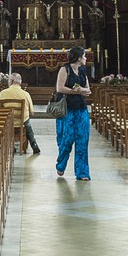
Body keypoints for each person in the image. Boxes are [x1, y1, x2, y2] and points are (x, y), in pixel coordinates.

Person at [53, 46, 92, 179]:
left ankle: (82, 173)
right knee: (66, 139)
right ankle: (61, 165)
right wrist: (75, 91)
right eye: (84, 56)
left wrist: (82, 90)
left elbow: (88, 89)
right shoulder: (65, 69)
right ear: (79, 57)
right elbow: (59, 88)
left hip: (81, 109)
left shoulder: (82, 70)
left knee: (82, 140)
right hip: (67, 109)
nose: (86, 58)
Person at [0, 73, 39, 154]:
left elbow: (0, 110)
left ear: (11, 81)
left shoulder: (3, 93)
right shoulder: (25, 94)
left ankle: (11, 146)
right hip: (21, 122)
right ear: (20, 82)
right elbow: (32, 112)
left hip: (8, 122)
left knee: (7, 122)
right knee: (27, 125)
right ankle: (33, 144)